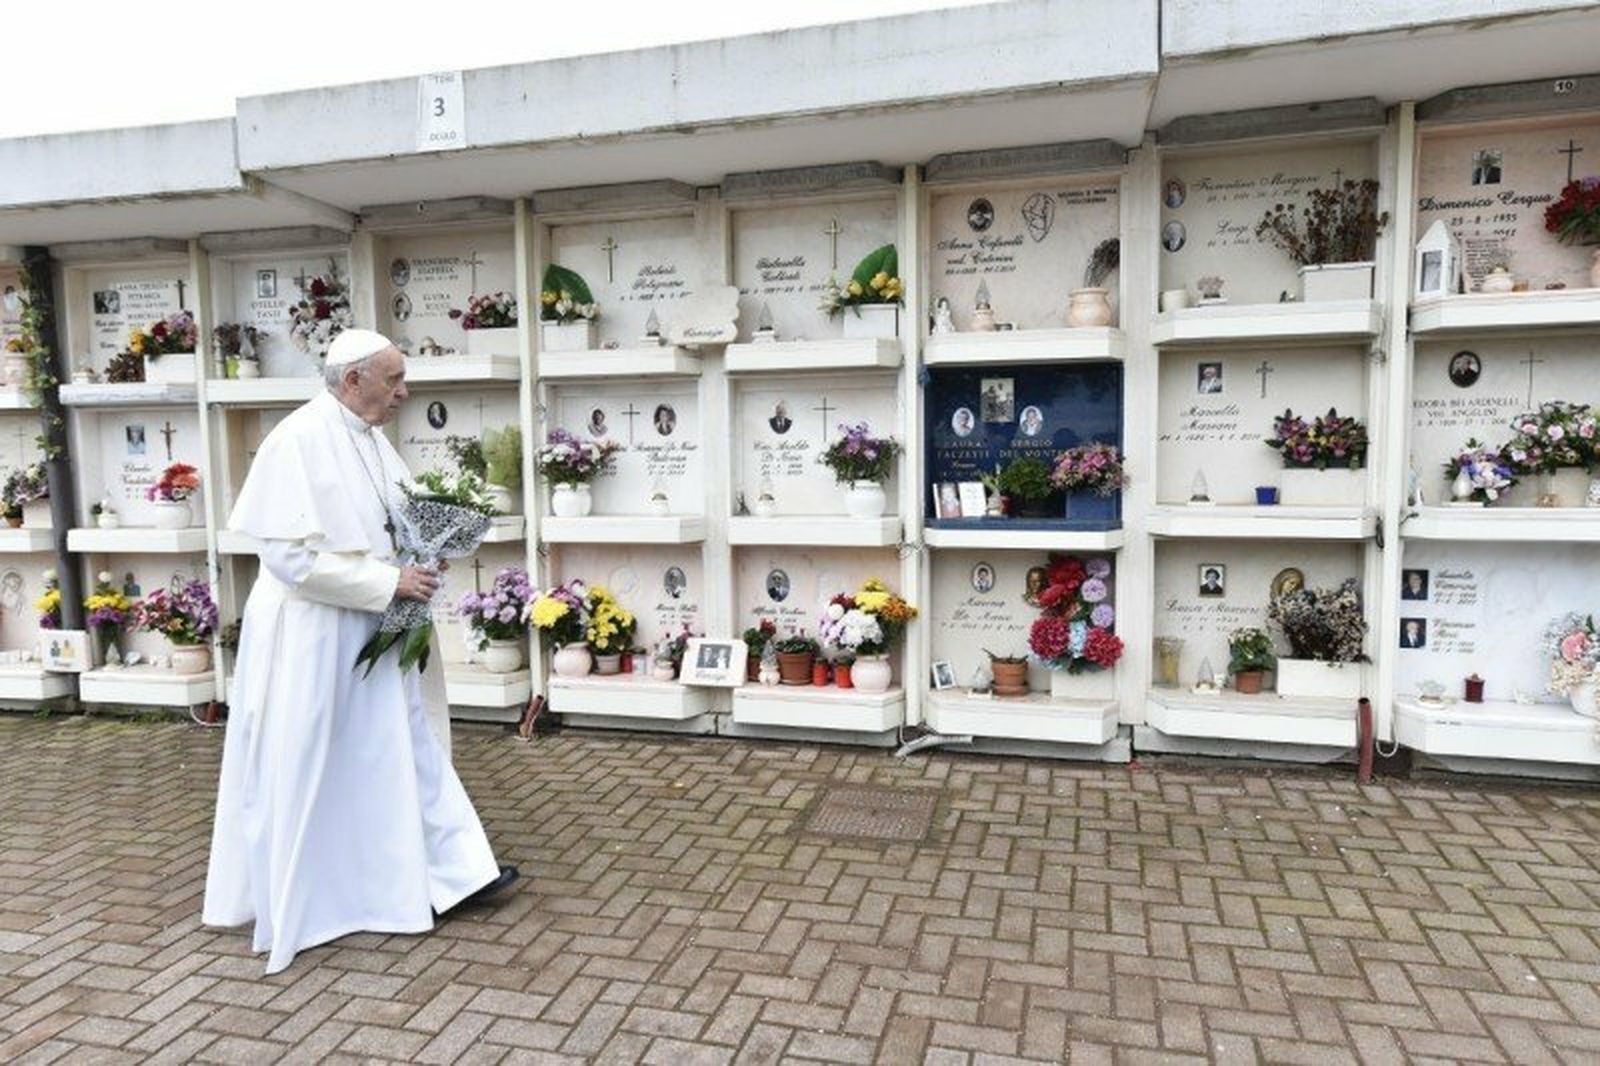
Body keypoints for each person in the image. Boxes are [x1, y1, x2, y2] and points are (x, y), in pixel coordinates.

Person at [203, 329, 515, 976]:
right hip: (315, 637)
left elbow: (399, 523)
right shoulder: (296, 441)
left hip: (375, 626)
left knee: (404, 744)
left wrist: (426, 556)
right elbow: (288, 559)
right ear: (353, 380)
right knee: (325, 760)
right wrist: (386, 582)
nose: (404, 392)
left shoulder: (372, 440)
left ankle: (455, 873)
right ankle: (338, 894)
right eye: (393, 380)